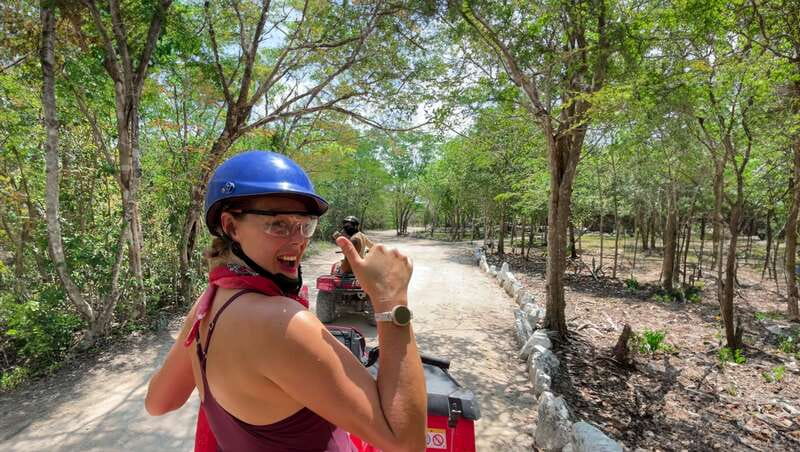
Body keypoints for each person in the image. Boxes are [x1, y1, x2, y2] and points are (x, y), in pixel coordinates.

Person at [144, 150, 426, 452]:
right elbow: (406, 443)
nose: (298, 240)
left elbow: (159, 402)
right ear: (230, 226)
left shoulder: (208, 302)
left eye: (305, 224)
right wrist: (390, 298)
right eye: (277, 224)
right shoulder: (283, 323)